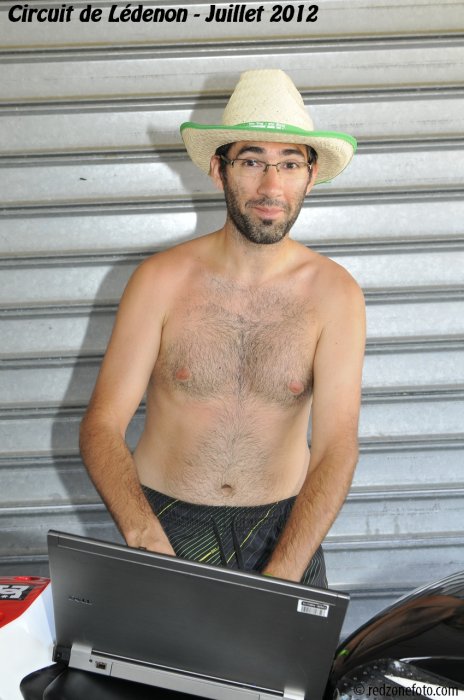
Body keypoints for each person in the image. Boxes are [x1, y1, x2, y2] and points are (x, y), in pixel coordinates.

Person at [79, 69, 366, 587]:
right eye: (252, 161)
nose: (271, 186)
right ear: (219, 169)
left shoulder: (336, 294)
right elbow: (101, 424)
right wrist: (144, 536)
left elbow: (336, 447)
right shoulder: (159, 280)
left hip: (284, 534)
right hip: (164, 528)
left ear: (310, 176)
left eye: (289, 164)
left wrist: (284, 572)